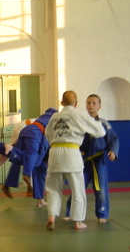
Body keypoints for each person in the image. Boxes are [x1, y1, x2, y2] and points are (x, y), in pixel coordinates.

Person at [44, 91, 105, 230]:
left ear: (62, 103)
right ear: (76, 103)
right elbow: (100, 132)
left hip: (55, 152)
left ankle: (52, 216)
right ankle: (78, 221)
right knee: (77, 188)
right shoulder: (79, 114)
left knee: (53, 188)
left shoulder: (55, 116)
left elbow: (48, 134)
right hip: (71, 152)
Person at [63, 94, 119, 223]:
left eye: (94, 103)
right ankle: (70, 212)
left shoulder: (104, 123)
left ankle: (102, 214)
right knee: (77, 187)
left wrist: (112, 151)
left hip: (99, 159)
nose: (91, 106)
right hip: (82, 158)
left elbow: (113, 139)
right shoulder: (80, 122)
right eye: (88, 103)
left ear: (99, 107)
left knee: (101, 188)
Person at [2, 108, 58, 201]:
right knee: (36, 159)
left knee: (17, 159)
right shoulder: (54, 119)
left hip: (24, 131)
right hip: (35, 132)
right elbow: (47, 140)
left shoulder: (41, 118)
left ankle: (8, 184)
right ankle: (27, 174)